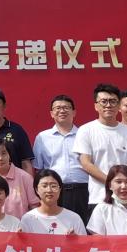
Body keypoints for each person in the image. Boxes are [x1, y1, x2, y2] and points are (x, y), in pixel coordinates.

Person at [75, 84, 127, 217]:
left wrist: (125, 186)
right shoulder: (86, 130)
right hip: (99, 197)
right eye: (104, 101)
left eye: (113, 101)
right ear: (96, 106)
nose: (108, 105)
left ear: (119, 106)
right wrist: (112, 183)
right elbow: (86, 163)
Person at [32, 95, 90, 224]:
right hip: (54, 191)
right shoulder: (42, 137)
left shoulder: (85, 134)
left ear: (74, 112)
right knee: (56, 227)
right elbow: (38, 169)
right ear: (51, 113)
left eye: (66, 107)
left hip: (83, 190)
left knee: (83, 227)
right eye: (57, 108)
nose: (62, 111)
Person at [20, 169, 86, 236]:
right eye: (44, 186)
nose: (49, 190)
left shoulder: (74, 218)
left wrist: (76, 240)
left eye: (53, 186)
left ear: (60, 189)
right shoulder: (28, 218)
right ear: (36, 190)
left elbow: (84, 242)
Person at [0, 139, 34, 218]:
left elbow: (34, 207)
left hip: (20, 225)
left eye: (4, 153)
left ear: (9, 155)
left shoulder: (25, 177)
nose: (0, 158)